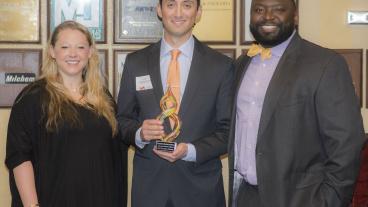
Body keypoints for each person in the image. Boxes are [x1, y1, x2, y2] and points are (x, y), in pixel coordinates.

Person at [228, 0, 366, 206]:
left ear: (295, 16)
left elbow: (346, 145)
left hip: (301, 199)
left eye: (278, 9)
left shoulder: (325, 64)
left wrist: (328, 201)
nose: (267, 16)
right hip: (246, 195)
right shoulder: (242, 64)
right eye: (259, 10)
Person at [116, 0, 234, 206]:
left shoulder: (221, 66)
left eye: (187, 5)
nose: (178, 13)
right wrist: (139, 133)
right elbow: (122, 120)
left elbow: (228, 131)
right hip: (150, 190)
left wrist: (191, 151)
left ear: (198, 12)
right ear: (159, 10)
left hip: (200, 191)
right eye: (171, 5)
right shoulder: (136, 62)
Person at [5, 21, 126, 207]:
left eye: (80, 47)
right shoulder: (32, 98)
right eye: (65, 47)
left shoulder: (104, 98)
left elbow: (115, 156)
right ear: (52, 51)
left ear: (90, 52)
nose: (73, 54)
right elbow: (20, 157)